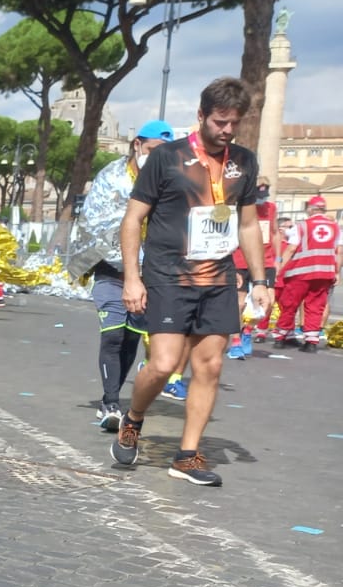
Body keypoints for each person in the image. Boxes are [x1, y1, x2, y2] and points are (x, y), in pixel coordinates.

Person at [110, 78, 267, 487]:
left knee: (210, 366)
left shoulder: (245, 163)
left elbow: (248, 225)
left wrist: (259, 280)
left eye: (234, 123)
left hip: (218, 277)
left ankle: (187, 455)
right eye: (220, 122)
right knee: (162, 365)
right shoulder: (167, 159)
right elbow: (132, 220)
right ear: (201, 116)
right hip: (167, 275)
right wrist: (132, 278)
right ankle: (134, 418)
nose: (227, 130)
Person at [67, 120, 175, 429]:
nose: (157, 157)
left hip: (149, 274)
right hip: (110, 269)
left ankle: (111, 397)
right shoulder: (111, 177)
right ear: (138, 144)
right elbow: (94, 219)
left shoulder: (169, 182)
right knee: (113, 333)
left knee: (131, 338)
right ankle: (110, 402)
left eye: (164, 152)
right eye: (153, 150)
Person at [273, 195, 340, 351]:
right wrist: (336, 272)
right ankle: (311, 341)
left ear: (310, 209)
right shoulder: (335, 227)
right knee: (315, 306)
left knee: (289, 304)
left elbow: (290, 248)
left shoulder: (302, 226)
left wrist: (279, 267)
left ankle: (281, 337)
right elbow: (338, 251)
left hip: (301, 272)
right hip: (324, 273)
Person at [227, 177, 278, 357]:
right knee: (239, 302)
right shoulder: (240, 207)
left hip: (266, 261)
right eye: (258, 194)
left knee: (268, 301)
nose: (261, 198)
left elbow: (274, 232)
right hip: (241, 260)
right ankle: (234, 341)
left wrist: (277, 258)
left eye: (264, 194)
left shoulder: (271, 208)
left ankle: (247, 329)